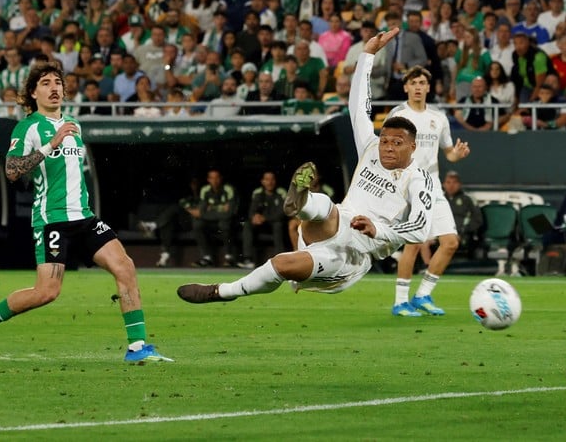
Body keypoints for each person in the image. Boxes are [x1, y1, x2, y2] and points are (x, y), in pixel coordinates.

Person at [176, 28, 438, 303]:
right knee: (325, 204)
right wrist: (367, 55)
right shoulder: (371, 149)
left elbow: (420, 228)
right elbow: (358, 107)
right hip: (334, 222)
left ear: (413, 147)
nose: (387, 147)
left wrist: (379, 229)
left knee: (280, 265)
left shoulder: (418, 178)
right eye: (385, 140)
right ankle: (300, 201)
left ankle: (222, 292)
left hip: (355, 254)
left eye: (397, 143)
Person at [0, 61, 171, 363]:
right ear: (33, 92)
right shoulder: (27, 127)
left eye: (57, 82)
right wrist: (50, 144)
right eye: (45, 83)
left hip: (86, 218)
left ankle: (137, 347)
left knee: (125, 267)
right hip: (53, 220)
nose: (54, 87)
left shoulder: (74, 125)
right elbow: (13, 172)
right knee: (47, 292)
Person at [388, 65, 471, 317]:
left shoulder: (439, 118)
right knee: (413, 243)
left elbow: (449, 153)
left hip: (433, 185)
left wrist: (457, 154)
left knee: (450, 242)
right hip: (407, 185)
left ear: (428, 87)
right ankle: (400, 301)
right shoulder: (398, 115)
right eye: (413, 83)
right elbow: (385, 151)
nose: (418, 87)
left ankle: (423, 294)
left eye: (422, 83)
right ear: (406, 87)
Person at [191, 169, 239, 268]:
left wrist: (211, 209)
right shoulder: (205, 190)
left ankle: (229, 257)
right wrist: (221, 209)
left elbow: (230, 213)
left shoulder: (228, 189)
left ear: (221, 179)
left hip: (227, 222)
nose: (215, 180)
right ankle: (206, 258)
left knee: (224, 224)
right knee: (198, 224)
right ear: (208, 179)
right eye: (212, 178)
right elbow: (201, 212)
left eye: (217, 177)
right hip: (211, 222)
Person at [240, 171, 287, 268]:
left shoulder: (281, 192)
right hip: (261, 224)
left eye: (272, 179)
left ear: (275, 181)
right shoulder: (258, 193)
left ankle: (280, 259)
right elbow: (251, 212)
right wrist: (254, 217)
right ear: (262, 181)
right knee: (248, 225)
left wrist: (265, 218)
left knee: (278, 225)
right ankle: (247, 259)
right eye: (267, 179)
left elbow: (282, 213)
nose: (269, 182)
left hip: (275, 223)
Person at [441, 171, 483, 259]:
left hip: (462, 235)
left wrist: (463, 231)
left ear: (459, 184)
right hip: (440, 234)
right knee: (422, 244)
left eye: (454, 182)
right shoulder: (439, 200)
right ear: (443, 184)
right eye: (448, 182)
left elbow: (477, 220)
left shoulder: (468, 200)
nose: (451, 186)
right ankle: (427, 267)